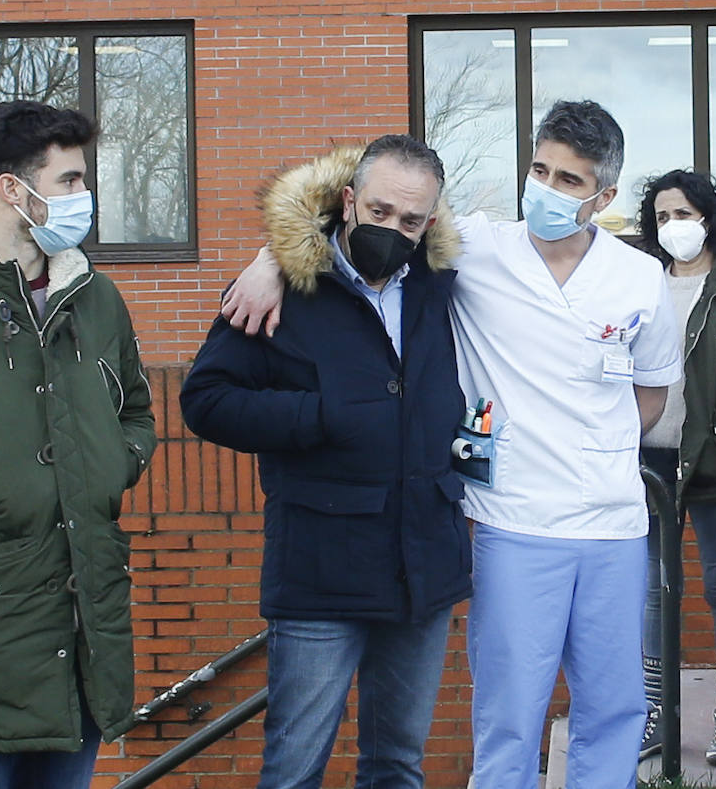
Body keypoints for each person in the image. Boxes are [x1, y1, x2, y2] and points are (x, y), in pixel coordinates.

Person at [221, 100, 682, 789]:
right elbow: (367, 210)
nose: (547, 188)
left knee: (615, 707)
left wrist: (597, 448)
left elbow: (651, 394)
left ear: (606, 195)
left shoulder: (638, 275)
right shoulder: (475, 248)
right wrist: (269, 259)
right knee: (509, 718)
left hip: (614, 524)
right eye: (539, 169)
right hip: (513, 523)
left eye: (570, 180)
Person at [180, 135, 470, 789]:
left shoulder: (441, 287)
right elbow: (205, 399)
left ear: (430, 221)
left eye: (411, 219)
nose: (393, 228)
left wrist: (470, 481)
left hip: (423, 567)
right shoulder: (280, 288)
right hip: (319, 569)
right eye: (380, 210)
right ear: (347, 200)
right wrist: (318, 415)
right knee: (294, 766)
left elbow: (480, 396)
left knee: (398, 764)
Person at [0, 100, 157, 789]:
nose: (87, 198)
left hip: (86, 630)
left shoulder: (95, 296)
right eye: (72, 181)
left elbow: (135, 409)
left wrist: (119, 460)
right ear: (12, 190)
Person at [632, 169, 716, 767]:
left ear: (708, 216)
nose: (674, 226)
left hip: (713, 460)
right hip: (648, 459)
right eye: (662, 217)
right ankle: (657, 713)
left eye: (684, 213)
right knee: (654, 590)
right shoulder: (641, 282)